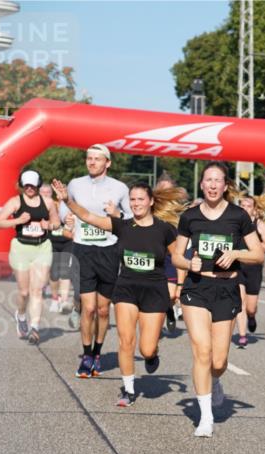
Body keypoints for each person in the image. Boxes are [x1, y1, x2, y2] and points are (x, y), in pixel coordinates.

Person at [54, 179, 178, 406]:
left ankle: (152, 354)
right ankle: (128, 390)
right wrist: (66, 200)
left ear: (151, 201)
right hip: (127, 289)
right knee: (125, 341)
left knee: (147, 348)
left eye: (141, 199)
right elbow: (88, 216)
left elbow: (177, 259)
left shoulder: (165, 230)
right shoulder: (121, 225)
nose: (136, 203)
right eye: (132, 200)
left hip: (154, 291)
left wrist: (177, 284)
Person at [171, 162, 265, 437]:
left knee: (219, 360)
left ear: (226, 186)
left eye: (218, 181)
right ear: (201, 184)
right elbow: (176, 255)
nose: (212, 185)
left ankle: (215, 381)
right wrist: (189, 264)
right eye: (208, 180)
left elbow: (258, 254)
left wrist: (236, 254)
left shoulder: (238, 216)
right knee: (202, 350)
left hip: (226, 290)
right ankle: (205, 417)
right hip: (196, 288)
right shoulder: (189, 217)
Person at [63, 144, 132, 377]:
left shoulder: (120, 188)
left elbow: (131, 217)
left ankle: (98, 351)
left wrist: (117, 215)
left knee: (103, 310)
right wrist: (68, 220)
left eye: (97, 159)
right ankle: (86, 355)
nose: (91, 162)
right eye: (89, 158)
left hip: (109, 250)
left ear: (108, 163)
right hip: (83, 249)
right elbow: (66, 208)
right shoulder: (75, 184)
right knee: (89, 308)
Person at [0, 170, 61, 344]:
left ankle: (35, 327)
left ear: (38, 185)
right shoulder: (15, 202)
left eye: (32, 185)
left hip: (42, 247)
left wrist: (49, 225)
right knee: (24, 292)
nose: (29, 188)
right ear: (22, 185)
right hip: (21, 248)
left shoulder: (47, 202)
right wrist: (18, 220)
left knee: (37, 290)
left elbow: (56, 222)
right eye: (26, 185)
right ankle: (22, 316)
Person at [233, 192, 265, 347]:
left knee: (250, 308)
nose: (245, 208)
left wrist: (254, 246)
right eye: (242, 205)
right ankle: (242, 335)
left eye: (248, 206)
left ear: (254, 210)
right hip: (237, 267)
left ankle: (251, 317)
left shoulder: (259, 225)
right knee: (240, 303)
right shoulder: (233, 223)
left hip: (253, 270)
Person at [154, 173, 189, 333]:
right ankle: (155, 326)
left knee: (170, 295)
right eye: (162, 190)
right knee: (155, 295)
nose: (165, 194)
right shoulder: (150, 205)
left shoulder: (179, 209)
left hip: (171, 255)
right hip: (154, 256)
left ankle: (169, 310)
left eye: (168, 190)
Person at [41, 183, 74, 315]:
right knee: (54, 274)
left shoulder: (72, 206)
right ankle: (55, 298)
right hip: (52, 241)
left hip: (67, 241)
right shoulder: (50, 206)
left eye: (64, 192)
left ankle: (64, 301)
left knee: (65, 271)